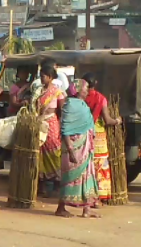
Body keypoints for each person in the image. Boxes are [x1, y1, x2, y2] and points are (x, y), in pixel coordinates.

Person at [55, 79, 99, 218]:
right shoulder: (70, 106)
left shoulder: (81, 105)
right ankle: (61, 208)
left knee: (87, 176)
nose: (87, 91)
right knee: (69, 177)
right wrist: (71, 150)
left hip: (85, 147)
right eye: (86, 88)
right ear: (78, 90)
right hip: (73, 148)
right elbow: (66, 129)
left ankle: (86, 209)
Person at [83, 73, 122, 204]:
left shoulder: (81, 97)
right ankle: (99, 195)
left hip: (84, 134)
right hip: (98, 135)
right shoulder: (101, 98)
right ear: (96, 83)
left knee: (87, 165)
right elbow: (107, 120)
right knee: (100, 166)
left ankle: (86, 194)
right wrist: (117, 121)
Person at [36, 66, 65, 196]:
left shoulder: (58, 92)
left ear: (50, 77)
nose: (41, 78)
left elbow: (62, 111)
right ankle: (42, 183)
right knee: (40, 153)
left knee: (54, 152)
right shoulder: (38, 91)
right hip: (39, 123)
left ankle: (57, 183)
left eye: (43, 76)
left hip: (52, 124)